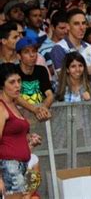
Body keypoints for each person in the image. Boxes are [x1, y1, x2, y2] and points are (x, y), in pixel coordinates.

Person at [0, 63, 31, 199]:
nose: (17, 85)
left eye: (19, 81)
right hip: (9, 165)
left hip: (21, 164)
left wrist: (29, 138)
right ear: (2, 85)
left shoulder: (13, 104)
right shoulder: (1, 107)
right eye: (12, 82)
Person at [16, 37, 54, 109]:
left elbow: (49, 94)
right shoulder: (14, 71)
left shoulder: (41, 70)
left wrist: (43, 109)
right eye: (26, 52)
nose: (32, 55)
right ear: (19, 56)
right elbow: (15, 97)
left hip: (40, 112)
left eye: (34, 51)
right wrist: (34, 110)